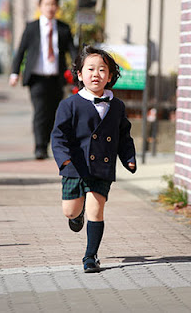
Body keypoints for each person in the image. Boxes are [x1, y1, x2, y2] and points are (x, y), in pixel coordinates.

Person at [51, 45, 137, 273]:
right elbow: (58, 136)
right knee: (70, 211)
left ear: (110, 76)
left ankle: (90, 257)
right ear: (80, 74)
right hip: (74, 167)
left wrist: (128, 158)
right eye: (90, 69)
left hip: (102, 167)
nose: (96, 74)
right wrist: (64, 160)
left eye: (102, 70)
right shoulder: (68, 105)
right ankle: (76, 216)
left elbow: (123, 136)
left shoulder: (117, 106)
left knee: (96, 211)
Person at [9, 0, 77, 159]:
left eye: (53, 4)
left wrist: (79, 70)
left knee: (54, 113)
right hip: (36, 78)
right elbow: (21, 50)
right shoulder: (31, 27)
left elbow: (72, 51)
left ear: (57, 7)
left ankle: (49, 143)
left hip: (56, 78)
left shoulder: (63, 28)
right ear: (40, 7)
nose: (50, 8)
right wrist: (14, 73)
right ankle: (40, 147)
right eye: (46, 4)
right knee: (40, 112)